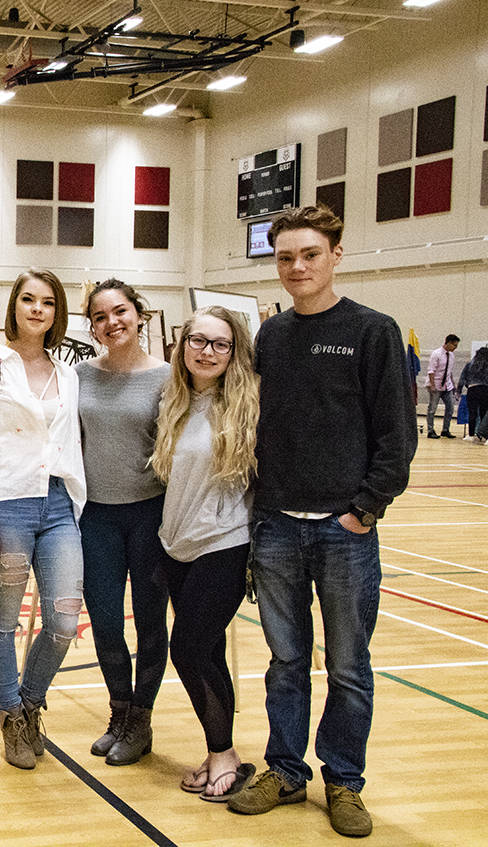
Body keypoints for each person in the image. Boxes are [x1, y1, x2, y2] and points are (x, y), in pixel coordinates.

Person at [227, 206, 416, 838]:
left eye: (310, 254)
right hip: (276, 528)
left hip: (345, 531)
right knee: (285, 661)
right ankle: (284, 770)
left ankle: (344, 780)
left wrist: (365, 509)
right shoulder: (271, 338)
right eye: (285, 257)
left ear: (336, 254)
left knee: (347, 665)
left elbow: (396, 434)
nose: (297, 267)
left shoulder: (373, 331)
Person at [0, 268, 86, 770]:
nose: (37, 309)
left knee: (62, 620)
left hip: (58, 507)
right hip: (6, 506)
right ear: (13, 306)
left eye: (47, 302)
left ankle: (30, 703)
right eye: (28, 299)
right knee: (3, 621)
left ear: (57, 312)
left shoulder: (68, 373)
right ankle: (10, 716)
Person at [150, 306, 258, 801]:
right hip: (176, 546)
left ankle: (224, 755)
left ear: (234, 352)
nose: (207, 351)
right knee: (208, 652)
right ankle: (222, 753)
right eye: (198, 340)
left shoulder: (249, 403)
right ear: (183, 345)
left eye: (219, 343)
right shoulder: (174, 400)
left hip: (225, 544)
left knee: (188, 649)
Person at [76, 278, 171, 766]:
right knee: (107, 621)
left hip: (150, 515)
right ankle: (119, 711)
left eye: (120, 312)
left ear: (139, 314)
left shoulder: (168, 377)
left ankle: (142, 719)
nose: (111, 322)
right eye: (100, 316)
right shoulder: (81, 376)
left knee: (152, 621)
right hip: (97, 517)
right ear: (91, 326)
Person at [426, 333, 459, 439]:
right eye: (454, 345)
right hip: (436, 384)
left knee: (450, 407)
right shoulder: (436, 354)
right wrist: (432, 385)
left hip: (447, 386)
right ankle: (430, 430)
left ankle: (445, 429)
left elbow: (449, 371)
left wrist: (453, 384)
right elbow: (431, 370)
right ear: (448, 343)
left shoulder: (452, 356)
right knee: (432, 409)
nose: (455, 348)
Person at [456, 346, 488, 444]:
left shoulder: (470, 364)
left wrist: (459, 390)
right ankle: (483, 435)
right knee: (484, 413)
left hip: (472, 389)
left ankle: (470, 435)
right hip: (485, 389)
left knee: (472, 413)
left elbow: (462, 378)